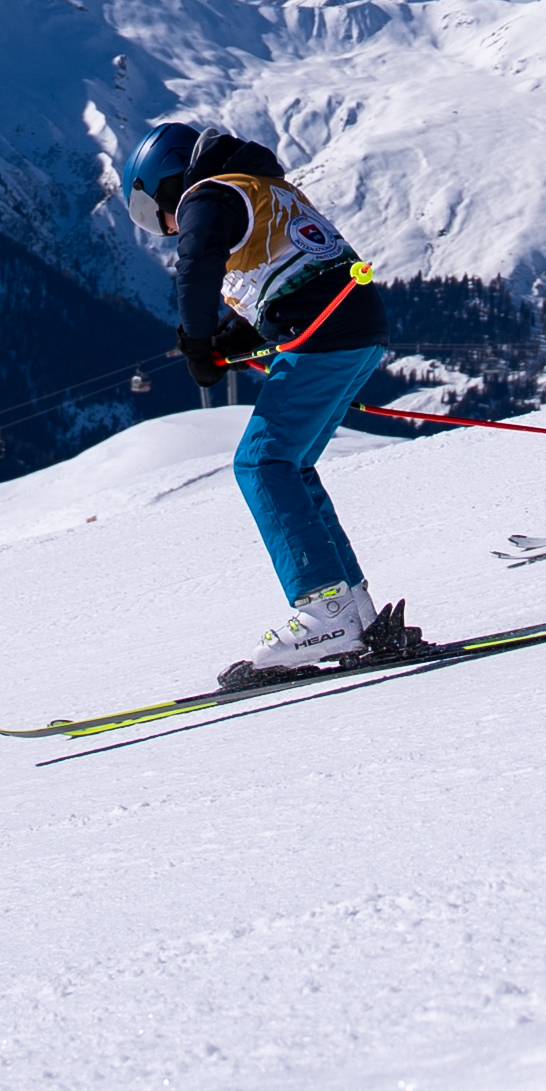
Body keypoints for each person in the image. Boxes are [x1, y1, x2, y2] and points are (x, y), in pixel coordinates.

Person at [122, 120, 418, 683]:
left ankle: (324, 612)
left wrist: (197, 340)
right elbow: (284, 278)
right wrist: (230, 340)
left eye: (150, 213)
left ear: (164, 182)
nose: (164, 228)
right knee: (291, 465)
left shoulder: (206, 196)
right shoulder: (260, 187)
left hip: (323, 333)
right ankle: (354, 611)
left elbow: (198, 262)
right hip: (353, 328)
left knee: (261, 464)